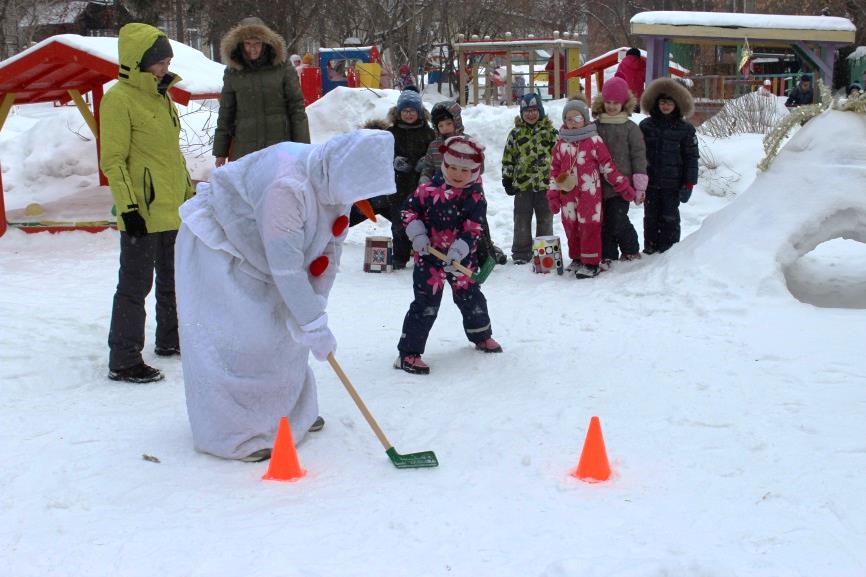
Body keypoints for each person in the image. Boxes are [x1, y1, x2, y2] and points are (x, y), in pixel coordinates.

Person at [175, 130, 396, 462]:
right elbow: (287, 269)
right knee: (247, 339)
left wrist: (314, 310)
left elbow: (330, 249)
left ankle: (288, 416)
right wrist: (310, 319)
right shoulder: (288, 187)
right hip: (223, 246)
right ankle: (237, 431)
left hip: (266, 252)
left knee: (287, 334)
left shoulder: (337, 179)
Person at [100, 23, 194, 384]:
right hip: (141, 210)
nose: (166, 66)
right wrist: (127, 208)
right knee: (135, 286)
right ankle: (123, 359)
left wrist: (189, 198)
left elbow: (173, 157)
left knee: (174, 278)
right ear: (140, 61)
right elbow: (114, 160)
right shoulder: (118, 100)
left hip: (173, 209)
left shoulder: (162, 96)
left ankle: (170, 339)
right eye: (160, 60)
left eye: (168, 59)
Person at [396, 135, 502, 374]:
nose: (457, 173)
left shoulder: (474, 196)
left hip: (461, 259)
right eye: (452, 167)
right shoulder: (428, 190)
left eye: (465, 169)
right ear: (444, 164)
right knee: (425, 303)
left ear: (475, 170)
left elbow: (475, 226)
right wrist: (417, 233)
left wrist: (461, 250)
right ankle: (408, 352)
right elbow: (407, 211)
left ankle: (480, 335)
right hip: (429, 258)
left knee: (471, 296)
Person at [547, 98, 636, 279]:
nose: (572, 123)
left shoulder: (594, 141)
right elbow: (554, 172)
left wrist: (622, 185)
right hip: (568, 196)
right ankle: (577, 258)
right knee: (570, 226)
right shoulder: (560, 144)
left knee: (589, 227)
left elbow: (607, 167)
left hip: (590, 194)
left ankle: (591, 262)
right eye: (569, 119)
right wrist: (553, 195)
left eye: (577, 119)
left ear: (585, 120)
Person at [213, 17, 310, 168]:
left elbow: (296, 108)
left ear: (265, 43)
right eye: (248, 44)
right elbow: (226, 112)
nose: (253, 49)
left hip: (279, 148)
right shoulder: (233, 71)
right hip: (245, 150)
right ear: (240, 45)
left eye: (257, 43)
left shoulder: (282, 67)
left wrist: (302, 148)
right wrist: (220, 151)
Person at [418, 100, 506, 265]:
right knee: (447, 225)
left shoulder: (467, 143)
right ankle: (448, 255)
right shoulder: (434, 146)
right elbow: (428, 167)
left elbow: (480, 167)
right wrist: (425, 180)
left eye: (448, 123)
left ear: (456, 122)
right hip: (442, 194)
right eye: (441, 125)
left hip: (468, 192)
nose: (445, 128)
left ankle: (486, 255)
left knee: (475, 225)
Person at [591, 77, 648, 268]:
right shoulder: (596, 126)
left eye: (616, 103)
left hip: (621, 185)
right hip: (597, 184)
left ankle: (630, 248)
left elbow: (639, 156)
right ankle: (608, 253)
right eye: (608, 102)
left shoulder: (631, 128)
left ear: (624, 103)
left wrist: (639, 186)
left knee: (617, 218)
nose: (612, 106)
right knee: (603, 221)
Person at [639, 78, 699, 254]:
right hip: (650, 182)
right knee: (650, 216)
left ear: (678, 103)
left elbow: (691, 158)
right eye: (662, 102)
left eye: (670, 102)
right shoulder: (646, 126)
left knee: (670, 217)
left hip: (673, 184)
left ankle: (669, 249)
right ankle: (650, 246)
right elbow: (638, 154)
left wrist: (689, 183)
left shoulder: (685, 129)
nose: (665, 106)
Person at [501, 93, 558, 264]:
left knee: (545, 219)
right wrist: (507, 178)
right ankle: (521, 253)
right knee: (521, 219)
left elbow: (558, 158)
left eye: (534, 110)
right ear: (521, 113)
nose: (530, 114)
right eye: (526, 111)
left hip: (545, 186)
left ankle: (545, 254)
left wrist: (558, 180)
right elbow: (508, 157)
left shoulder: (550, 133)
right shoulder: (515, 134)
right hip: (522, 186)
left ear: (540, 111)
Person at [386, 89, 435, 268]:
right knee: (399, 223)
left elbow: (435, 153)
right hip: (398, 185)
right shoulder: (390, 133)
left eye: (412, 111)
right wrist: (394, 161)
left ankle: (424, 255)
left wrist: (426, 161)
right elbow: (381, 156)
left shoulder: (429, 133)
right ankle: (400, 256)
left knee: (422, 221)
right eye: (405, 111)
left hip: (420, 185)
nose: (408, 114)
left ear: (419, 112)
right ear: (398, 112)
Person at [614, 48, 646, 112]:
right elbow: (646, 78)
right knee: (636, 116)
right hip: (637, 96)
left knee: (625, 115)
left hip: (625, 95)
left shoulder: (622, 64)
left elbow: (617, 78)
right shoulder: (643, 64)